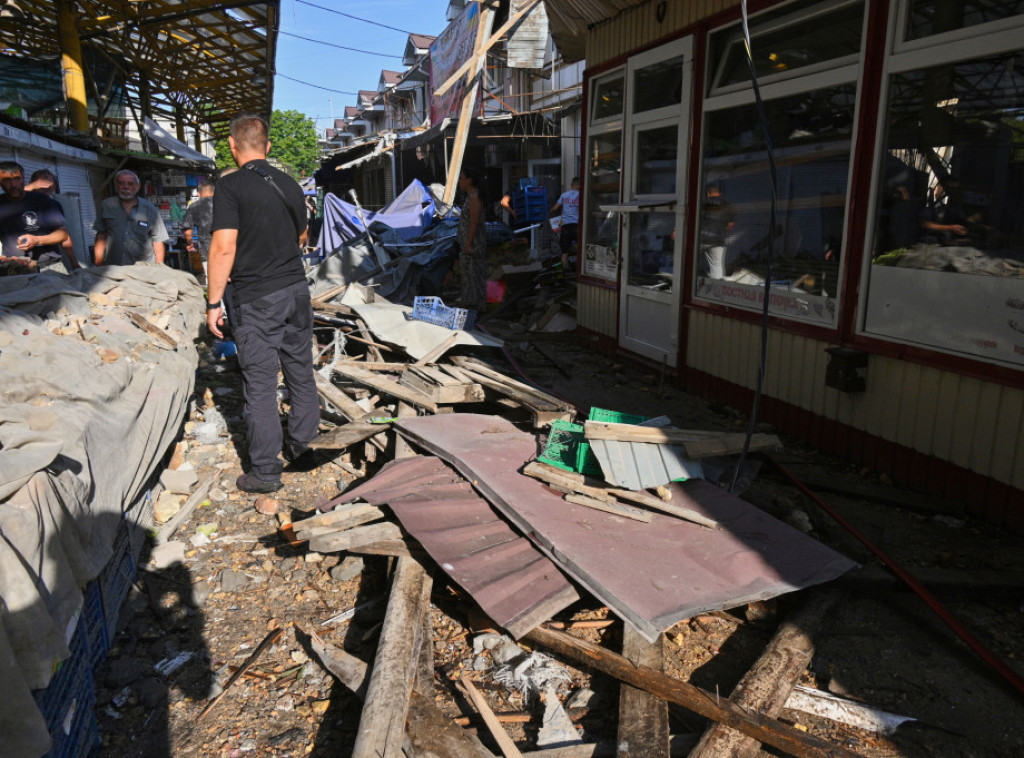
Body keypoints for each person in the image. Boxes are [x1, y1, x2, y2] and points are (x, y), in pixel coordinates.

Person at [207, 112, 320, 494]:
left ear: (232, 146)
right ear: (267, 146)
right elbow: (302, 236)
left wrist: (213, 302)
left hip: (257, 297)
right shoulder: (290, 184)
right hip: (297, 291)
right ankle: (304, 449)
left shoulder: (230, 186)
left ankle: (266, 472)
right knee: (300, 372)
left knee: (259, 385)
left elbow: (223, 247)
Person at [93, 169, 168, 266]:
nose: (126, 187)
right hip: (115, 267)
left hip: (144, 268)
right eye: (121, 183)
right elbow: (101, 236)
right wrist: (99, 263)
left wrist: (159, 267)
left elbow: (158, 241)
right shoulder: (106, 206)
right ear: (116, 186)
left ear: (138, 187)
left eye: (130, 184)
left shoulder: (150, 209)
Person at [0, 160, 69, 262]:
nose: (13, 184)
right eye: (6, 180)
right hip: (14, 265)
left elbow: (62, 234)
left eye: (17, 179)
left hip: (47, 264)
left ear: (23, 179)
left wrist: (37, 240)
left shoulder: (42, 200)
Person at [24, 168, 82, 270]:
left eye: (50, 183)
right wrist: (32, 186)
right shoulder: (19, 203)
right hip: (23, 264)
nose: (46, 186)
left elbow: (64, 236)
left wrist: (74, 264)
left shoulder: (54, 205)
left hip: (51, 263)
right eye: (43, 182)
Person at [457, 167, 487, 314]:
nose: (459, 181)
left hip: (472, 247)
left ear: (469, 180)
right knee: (469, 278)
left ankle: (474, 311)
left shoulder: (474, 197)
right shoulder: (471, 196)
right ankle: (473, 310)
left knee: (472, 278)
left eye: (462, 178)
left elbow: (474, 223)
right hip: (468, 246)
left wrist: (468, 245)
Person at [183, 181, 215, 281]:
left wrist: (190, 244)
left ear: (198, 194)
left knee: (211, 278)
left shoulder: (194, 207)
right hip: (227, 247)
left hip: (207, 249)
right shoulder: (225, 203)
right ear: (214, 192)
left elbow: (188, 232)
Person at [549, 176, 580, 270]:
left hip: (565, 226)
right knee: (581, 250)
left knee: (564, 253)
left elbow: (555, 208)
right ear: (580, 186)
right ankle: (578, 271)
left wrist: (549, 215)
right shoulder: (581, 195)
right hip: (577, 226)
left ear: (571, 185)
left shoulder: (564, 195)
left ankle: (565, 272)